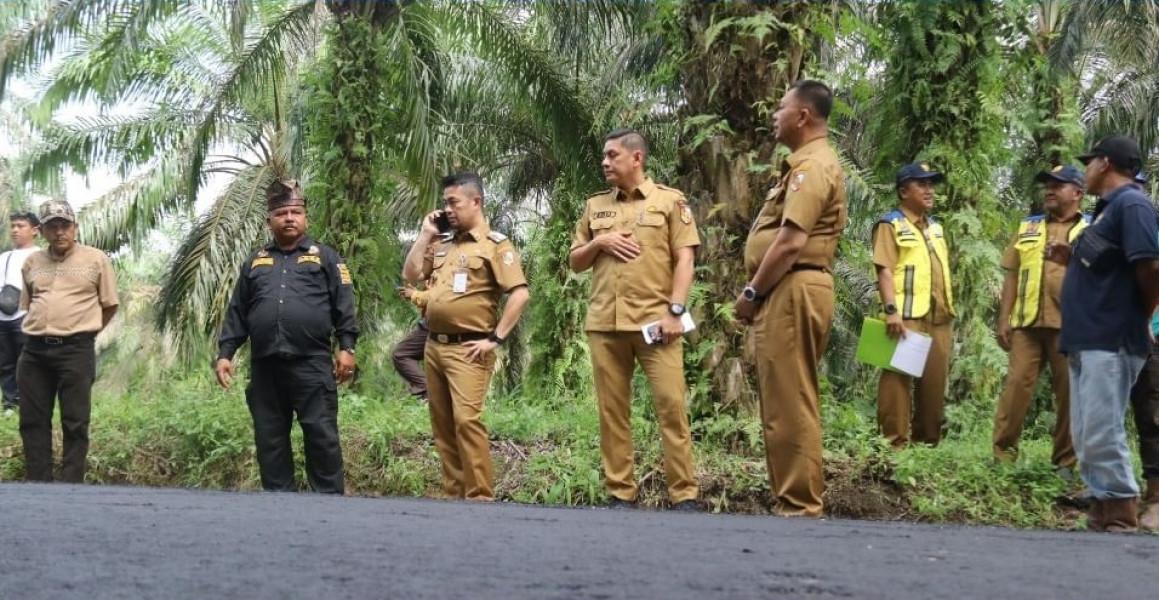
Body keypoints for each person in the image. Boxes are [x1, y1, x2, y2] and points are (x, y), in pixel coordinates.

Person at [732, 80, 847, 517]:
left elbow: (790, 242)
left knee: (791, 398)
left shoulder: (812, 167)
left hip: (793, 287)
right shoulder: (802, 165)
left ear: (803, 116)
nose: (774, 115)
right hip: (788, 288)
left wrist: (751, 293)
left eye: (781, 108)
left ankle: (800, 505)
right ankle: (792, 499)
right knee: (783, 397)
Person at [570, 129, 700, 511]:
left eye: (612, 156)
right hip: (605, 325)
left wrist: (675, 310)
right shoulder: (595, 207)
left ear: (636, 158)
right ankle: (620, 493)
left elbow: (686, 259)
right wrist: (599, 242)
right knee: (612, 412)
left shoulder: (670, 202)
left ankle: (684, 494)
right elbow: (575, 261)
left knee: (671, 407)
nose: (605, 162)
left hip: (657, 325)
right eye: (604, 157)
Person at [215, 179, 358, 494]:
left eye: (295, 212)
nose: (289, 218)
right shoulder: (255, 262)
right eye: (282, 213)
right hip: (266, 368)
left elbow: (344, 306)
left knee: (321, 438)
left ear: (306, 218)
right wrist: (225, 353)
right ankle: (279, 511)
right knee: (270, 441)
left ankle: (328, 508)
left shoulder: (327, 258)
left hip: (312, 365)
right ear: (270, 220)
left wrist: (347, 347)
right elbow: (237, 311)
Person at [1051, 135, 1159, 532]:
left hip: (1111, 337)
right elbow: (1108, 268)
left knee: (1102, 427)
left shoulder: (1132, 204)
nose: (1087, 169)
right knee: (1086, 432)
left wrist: (1142, 317)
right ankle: (1102, 507)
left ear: (1106, 164)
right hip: (1087, 338)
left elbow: (1150, 268)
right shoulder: (1107, 211)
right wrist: (1070, 257)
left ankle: (1120, 511)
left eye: (1091, 161)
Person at [402, 173, 530, 501]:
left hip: (469, 350)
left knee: (467, 422)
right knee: (442, 425)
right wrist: (425, 233)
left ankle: (480, 498)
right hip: (434, 347)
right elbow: (412, 274)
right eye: (445, 202)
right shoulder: (443, 244)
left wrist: (495, 339)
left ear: (476, 202)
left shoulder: (495, 245)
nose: (448, 209)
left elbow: (519, 294)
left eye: (453, 202)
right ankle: (454, 497)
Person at [992, 165, 1088, 471]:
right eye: (1047, 184)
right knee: (1015, 389)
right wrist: (1004, 319)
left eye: (1057, 185)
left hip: (1070, 327)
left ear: (1077, 193)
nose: (1049, 189)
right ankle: (1002, 456)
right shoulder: (1027, 227)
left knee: (1070, 395)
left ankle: (1065, 463)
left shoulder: (1091, 228)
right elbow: (1011, 276)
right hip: (1026, 325)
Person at [17, 199, 118, 482]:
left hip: (76, 350)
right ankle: (39, 486)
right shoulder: (32, 262)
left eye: (65, 225)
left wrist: (86, 333)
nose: (59, 232)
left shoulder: (96, 259)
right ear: (43, 230)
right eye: (52, 226)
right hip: (34, 351)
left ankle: (71, 489)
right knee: (32, 422)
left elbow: (110, 305)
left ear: (75, 227)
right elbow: (30, 304)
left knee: (75, 422)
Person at [872, 163, 954, 448]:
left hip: (939, 317)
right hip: (906, 316)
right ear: (904, 191)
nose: (929, 190)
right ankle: (893, 445)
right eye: (922, 185)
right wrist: (891, 311)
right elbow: (884, 269)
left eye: (931, 185)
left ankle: (926, 446)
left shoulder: (936, 228)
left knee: (933, 385)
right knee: (897, 382)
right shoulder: (891, 224)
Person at [0, 211, 40, 415]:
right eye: (13, 226)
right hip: (2, 317)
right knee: (5, 363)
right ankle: (9, 404)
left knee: (27, 362)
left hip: (26, 315)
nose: (15, 230)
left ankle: (29, 403)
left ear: (34, 230)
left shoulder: (41, 255)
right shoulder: (4, 257)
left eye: (21, 226)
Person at [1129, 307, 1159, 532]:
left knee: (1153, 418)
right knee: (1139, 415)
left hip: (1153, 333)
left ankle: (1156, 498)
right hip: (1130, 333)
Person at [391, 284, 429, 401]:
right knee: (401, 354)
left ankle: (429, 391)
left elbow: (443, 297)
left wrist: (415, 295)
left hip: (439, 324)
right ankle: (428, 391)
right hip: (430, 321)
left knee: (401, 354)